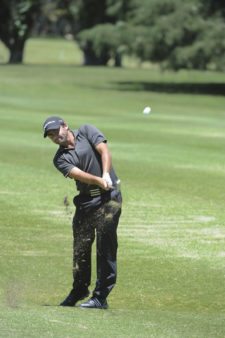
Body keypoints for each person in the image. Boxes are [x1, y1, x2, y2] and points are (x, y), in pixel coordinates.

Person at [43, 116, 122, 309]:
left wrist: (105, 174)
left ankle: (100, 297)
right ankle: (79, 289)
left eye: (56, 131)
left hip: (109, 199)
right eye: (51, 135)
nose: (54, 137)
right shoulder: (60, 158)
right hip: (86, 201)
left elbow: (104, 151)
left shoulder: (87, 131)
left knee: (105, 248)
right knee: (80, 248)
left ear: (65, 126)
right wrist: (97, 180)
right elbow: (78, 174)